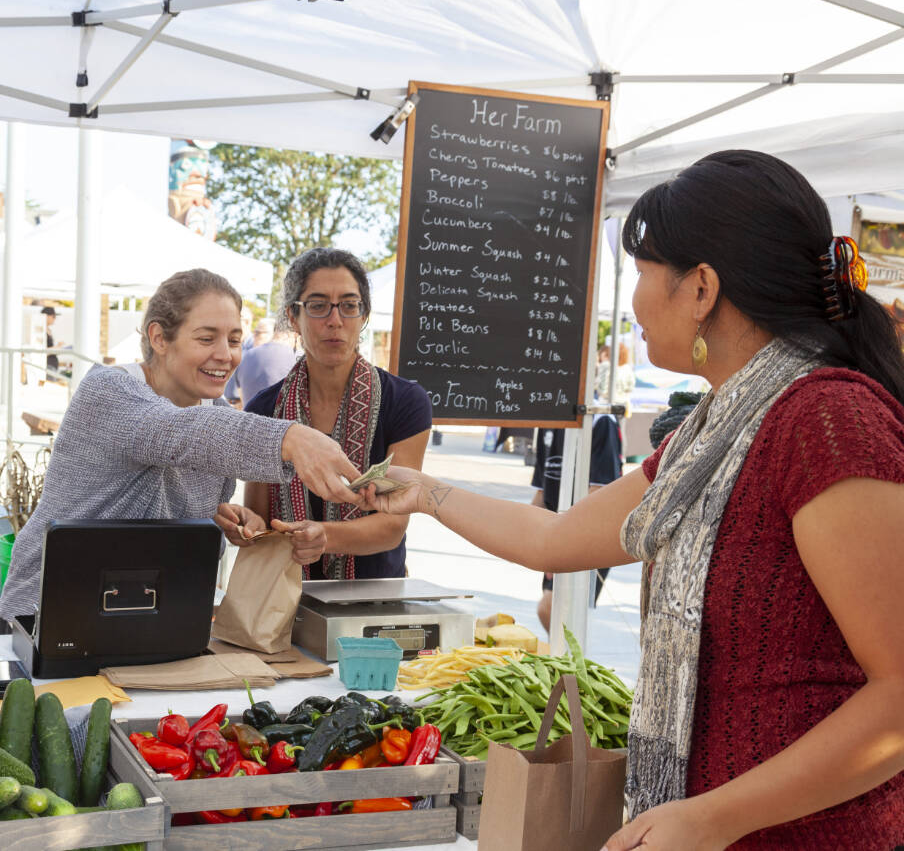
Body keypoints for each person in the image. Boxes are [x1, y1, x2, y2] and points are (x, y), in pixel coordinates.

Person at [356, 151, 904, 848]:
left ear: (700, 287)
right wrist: (426, 491)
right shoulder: (709, 433)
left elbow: (898, 697)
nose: (634, 301)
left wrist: (712, 817)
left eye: (645, 273)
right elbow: (554, 540)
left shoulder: (827, 421)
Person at [0, 268, 362, 620]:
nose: (225, 355)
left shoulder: (215, 408)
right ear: (159, 337)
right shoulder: (109, 391)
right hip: (48, 611)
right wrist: (290, 436)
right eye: (206, 339)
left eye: (234, 340)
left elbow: (185, 482)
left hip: (150, 619)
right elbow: (179, 433)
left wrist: (219, 518)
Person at [239, 247, 432, 578]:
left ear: (364, 316)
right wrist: (244, 525)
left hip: (373, 606)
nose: (335, 320)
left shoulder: (405, 402)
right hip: (285, 603)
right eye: (317, 306)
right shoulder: (264, 409)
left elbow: (392, 525)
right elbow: (259, 517)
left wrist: (324, 537)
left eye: (349, 305)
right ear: (293, 318)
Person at [532, 415, 623, 632]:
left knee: (551, 609)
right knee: (554, 613)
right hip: (555, 536)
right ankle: (570, 663)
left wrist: (562, 544)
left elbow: (599, 492)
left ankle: (572, 663)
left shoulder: (600, 420)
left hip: (587, 535)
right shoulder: (547, 421)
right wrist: (527, 539)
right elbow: (541, 492)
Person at [227, 319, 301, 409]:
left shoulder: (244, 357)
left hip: (250, 419)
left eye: (258, 333)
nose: (254, 337)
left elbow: (241, 401)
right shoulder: (298, 357)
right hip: (285, 421)